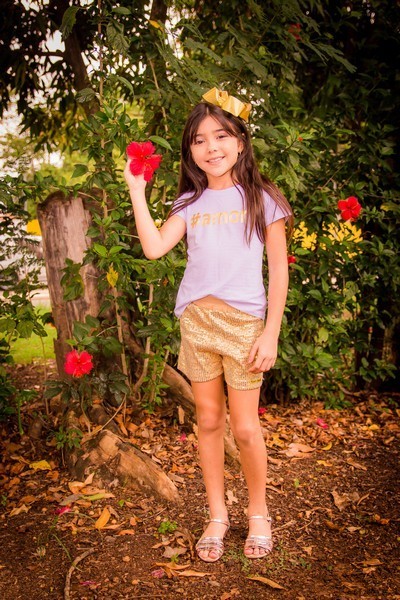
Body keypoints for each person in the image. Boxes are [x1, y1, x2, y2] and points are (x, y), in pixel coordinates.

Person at [124, 87, 293, 563]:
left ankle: (258, 513)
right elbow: (154, 248)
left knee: (245, 427)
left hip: (245, 326)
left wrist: (270, 332)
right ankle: (217, 515)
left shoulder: (262, 198)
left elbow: (279, 271)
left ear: (240, 141)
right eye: (199, 140)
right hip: (197, 322)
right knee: (209, 421)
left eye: (221, 136)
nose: (211, 147)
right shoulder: (189, 202)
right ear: (190, 151)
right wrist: (137, 192)